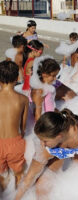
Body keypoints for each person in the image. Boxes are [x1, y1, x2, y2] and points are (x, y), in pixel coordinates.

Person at [15, 109, 78, 200]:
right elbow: (29, 178)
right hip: (58, 155)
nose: (42, 144)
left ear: (59, 136)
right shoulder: (45, 149)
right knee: (41, 188)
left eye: (45, 141)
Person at [0, 61, 29, 191]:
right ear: (17, 78)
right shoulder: (23, 99)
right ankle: (17, 194)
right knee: (19, 174)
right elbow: (23, 126)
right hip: (15, 144)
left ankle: (4, 192)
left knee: (1, 176)